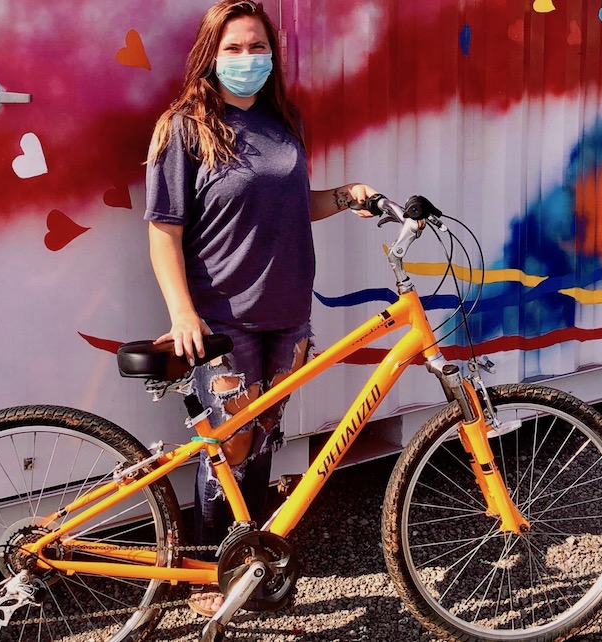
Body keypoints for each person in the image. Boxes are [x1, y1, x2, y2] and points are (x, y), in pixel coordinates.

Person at [143, 0, 377, 616]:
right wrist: (182, 314)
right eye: (234, 48)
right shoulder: (184, 126)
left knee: (264, 436)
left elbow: (297, 205)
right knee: (230, 445)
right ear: (210, 56)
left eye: (257, 47)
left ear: (272, 55)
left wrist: (345, 195)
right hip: (222, 318)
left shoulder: (283, 121)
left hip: (288, 312)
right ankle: (204, 574)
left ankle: (249, 562)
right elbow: (163, 229)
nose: (247, 59)